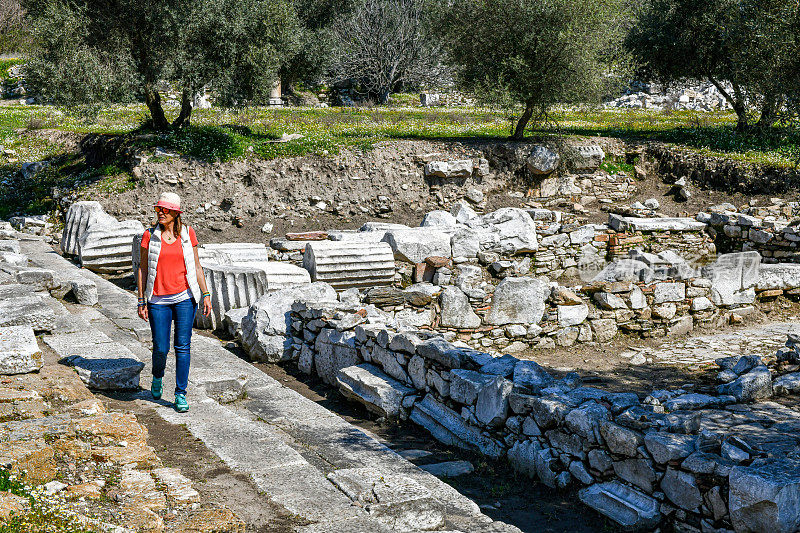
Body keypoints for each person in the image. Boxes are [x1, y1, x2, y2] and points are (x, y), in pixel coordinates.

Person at [136, 192, 212, 412]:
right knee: (160, 347)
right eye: (158, 209)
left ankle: (180, 394)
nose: (160, 212)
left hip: (185, 298)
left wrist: (205, 294)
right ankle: (157, 376)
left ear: (175, 213)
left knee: (183, 347)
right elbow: (142, 269)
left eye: (165, 209)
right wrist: (141, 299)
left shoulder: (188, 234)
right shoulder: (149, 235)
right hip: (157, 299)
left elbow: (196, 266)